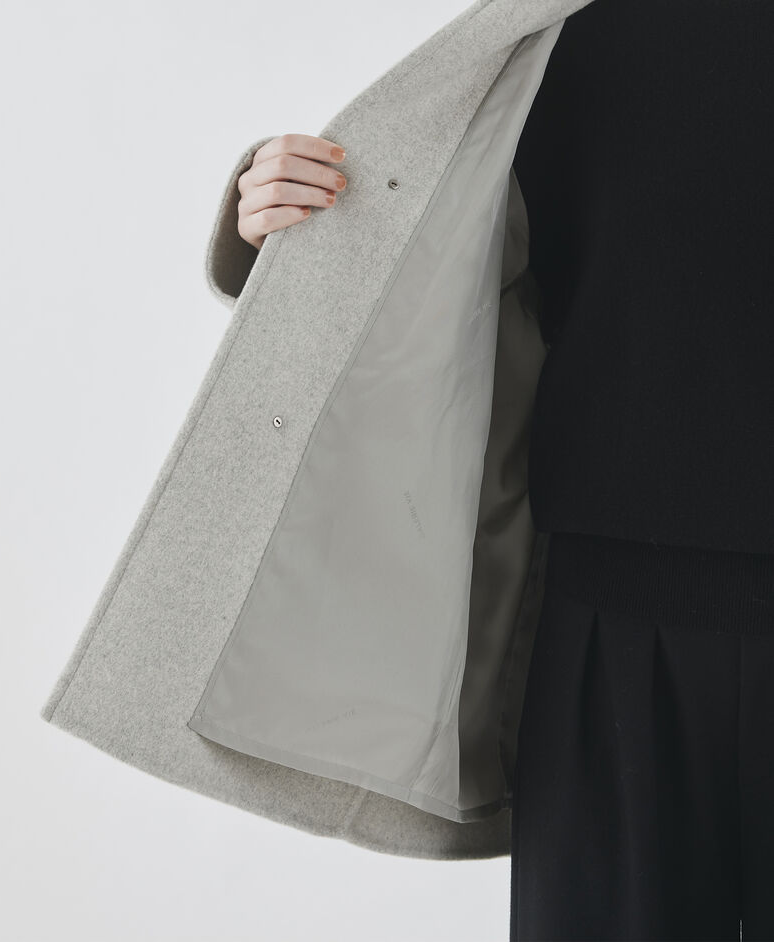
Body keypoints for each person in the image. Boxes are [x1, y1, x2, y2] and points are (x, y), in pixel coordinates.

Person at [232, 2, 774, 939]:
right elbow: (448, 247)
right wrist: (290, 215)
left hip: (611, 599)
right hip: (611, 624)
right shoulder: (569, 26)